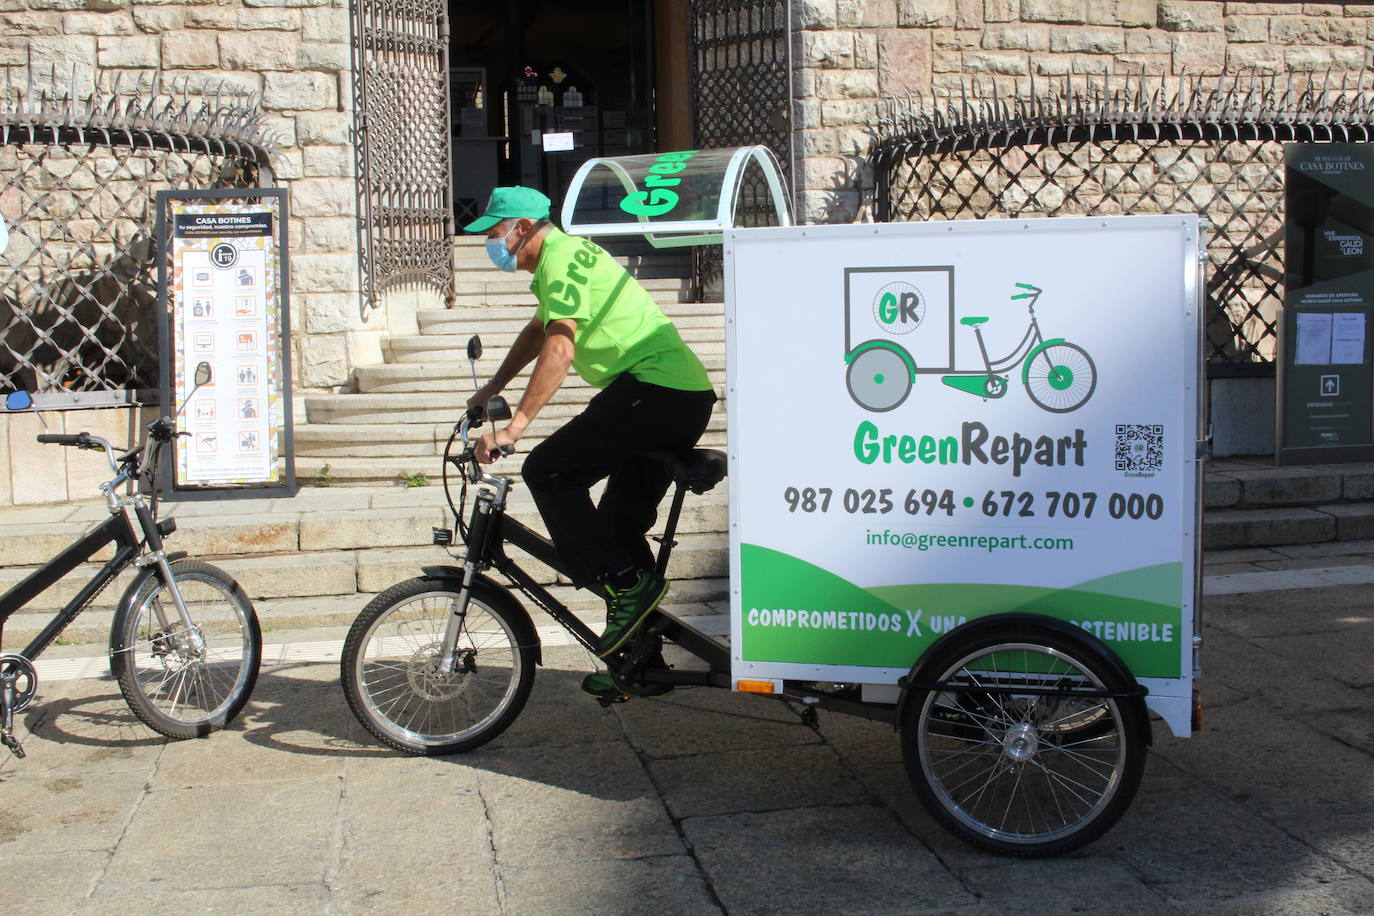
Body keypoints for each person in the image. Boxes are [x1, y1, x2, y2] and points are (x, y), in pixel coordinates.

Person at [463, 187, 716, 692]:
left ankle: (627, 585)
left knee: (547, 470)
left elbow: (558, 345)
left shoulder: (559, 261)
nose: (489, 241)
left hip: (654, 389)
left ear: (523, 228)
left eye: (494, 231)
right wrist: (494, 385)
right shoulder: (565, 257)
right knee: (617, 527)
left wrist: (516, 428)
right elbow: (538, 331)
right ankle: (640, 664)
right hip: (678, 395)